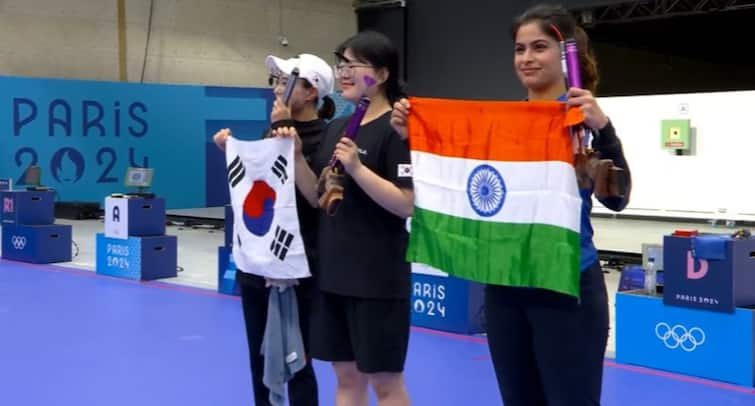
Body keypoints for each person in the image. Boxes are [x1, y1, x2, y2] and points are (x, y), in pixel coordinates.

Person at [390, 4, 632, 405]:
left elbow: (618, 199)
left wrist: (604, 131)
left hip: (566, 289)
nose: (526, 58)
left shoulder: (584, 122)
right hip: (504, 288)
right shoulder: (501, 126)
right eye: (520, 49)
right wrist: (412, 134)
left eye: (539, 47)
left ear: (566, 53)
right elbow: (457, 176)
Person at [273, 31, 413, 406]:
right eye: (342, 65)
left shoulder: (398, 129)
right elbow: (319, 197)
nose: (345, 73)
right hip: (334, 274)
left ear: (381, 74)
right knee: (346, 380)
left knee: (385, 384)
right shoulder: (339, 127)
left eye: (354, 65)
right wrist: (298, 157)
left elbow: (406, 204)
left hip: (378, 278)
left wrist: (357, 168)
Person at [213, 52, 335, 406]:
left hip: (298, 270)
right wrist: (231, 150)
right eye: (276, 82)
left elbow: (316, 197)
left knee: (297, 359)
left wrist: (290, 138)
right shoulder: (271, 133)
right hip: (257, 265)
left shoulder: (325, 139)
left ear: (312, 91)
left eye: (286, 82)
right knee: (260, 356)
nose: (277, 90)